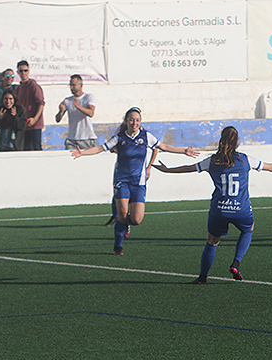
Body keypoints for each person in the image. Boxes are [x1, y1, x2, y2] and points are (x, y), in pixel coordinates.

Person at [153, 126, 272, 283]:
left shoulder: (211, 161)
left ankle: (203, 277)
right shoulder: (245, 160)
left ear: (220, 141)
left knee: (212, 241)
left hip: (219, 210)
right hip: (241, 209)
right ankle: (236, 262)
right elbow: (271, 167)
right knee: (248, 230)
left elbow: (189, 169)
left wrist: (168, 170)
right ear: (237, 142)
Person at [72, 106, 199, 255]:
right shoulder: (119, 138)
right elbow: (101, 148)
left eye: (137, 120)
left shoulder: (146, 136)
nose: (134, 122)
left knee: (137, 219)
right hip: (122, 181)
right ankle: (117, 246)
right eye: (131, 119)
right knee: (122, 214)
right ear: (126, 121)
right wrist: (83, 153)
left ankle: (126, 225)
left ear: (140, 122)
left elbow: (163, 146)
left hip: (138, 183)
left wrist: (184, 151)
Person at [55, 74, 97, 150]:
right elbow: (57, 119)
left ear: (81, 85)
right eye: (70, 85)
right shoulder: (68, 100)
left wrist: (78, 106)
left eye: (74, 85)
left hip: (87, 138)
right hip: (72, 139)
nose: (71, 88)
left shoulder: (88, 97)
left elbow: (91, 113)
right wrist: (61, 111)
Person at [15, 60, 45, 151]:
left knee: (36, 149)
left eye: (25, 70)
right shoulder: (18, 88)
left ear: (28, 71)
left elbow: (41, 103)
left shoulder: (34, 86)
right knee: (25, 150)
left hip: (34, 125)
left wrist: (35, 118)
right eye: (21, 71)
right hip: (23, 125)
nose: (23, 73)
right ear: (18, 72)